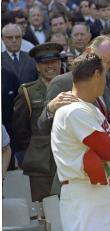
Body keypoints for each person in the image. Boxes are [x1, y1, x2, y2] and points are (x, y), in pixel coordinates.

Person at [51, 52, 110, 231]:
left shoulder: (90, 108)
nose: (105, 80)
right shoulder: (73, 110)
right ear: (96, 75)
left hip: (97, 192)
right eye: (105, 75)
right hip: (84, 192)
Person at [12, 42, 63, 202]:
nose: (50, 66)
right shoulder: (27, 92)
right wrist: (34, 150)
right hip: (40, 163)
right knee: (43, 209)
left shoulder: (70, 88)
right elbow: (20, 129)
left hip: (66, 158)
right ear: (37, 67)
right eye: (44, 63)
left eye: (53, 62)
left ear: (60, 63)